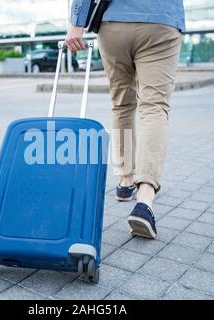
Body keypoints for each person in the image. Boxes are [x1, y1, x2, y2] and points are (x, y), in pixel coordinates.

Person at [65, 0, 185, 239]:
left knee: (122, 104)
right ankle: (144, 201)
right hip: (161, 20)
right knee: (154, 107)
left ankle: (125, 180)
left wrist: (76, 23)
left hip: (114, 22)